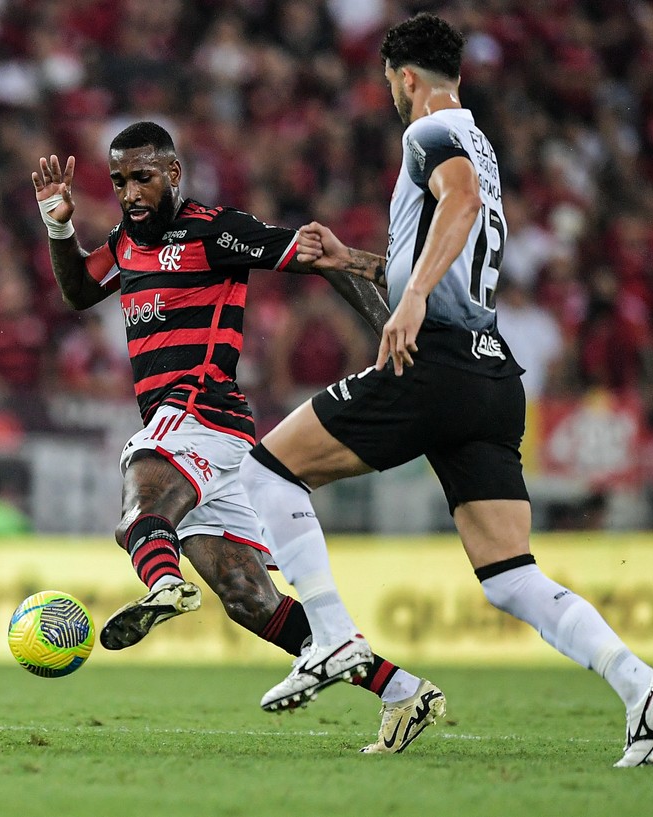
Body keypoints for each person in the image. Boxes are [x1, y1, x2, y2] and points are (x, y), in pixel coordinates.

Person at [239, 13, 653, 768]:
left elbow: (461, 202)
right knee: (510, 575)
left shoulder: (429, 134)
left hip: (438, 367)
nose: (388, 94)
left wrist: (410, 300)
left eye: (389, 82)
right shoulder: (481, 140)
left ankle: (333, 634)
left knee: (266, 470)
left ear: (406, 78)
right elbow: (444, 241)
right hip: (488, 371)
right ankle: (640, 684)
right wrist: (354, 263)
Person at [32, 120, 439, 753]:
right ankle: (401, 690)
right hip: (200, 432)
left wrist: (391, 333)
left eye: (142, 177)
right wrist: (59, 225)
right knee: (250, 599)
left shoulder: (214, 230)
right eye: (118, 182)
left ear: (172, 174)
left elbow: (315, 256)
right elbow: (80, 291)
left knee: (138, 504)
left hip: (201, 409)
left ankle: (164, 583)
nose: (131, 192)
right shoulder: (125, 244)